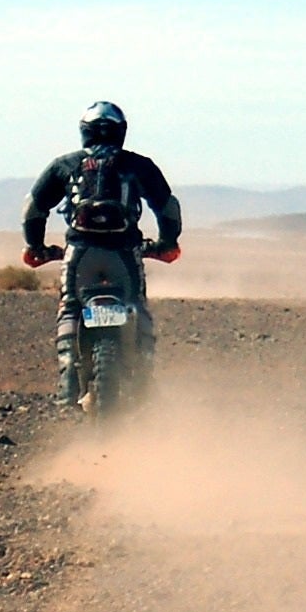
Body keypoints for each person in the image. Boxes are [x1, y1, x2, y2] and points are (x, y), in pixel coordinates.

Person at [22, 101, 183, 403]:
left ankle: (69, 378)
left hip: (80, 253)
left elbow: (33, 208)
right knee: (137, 304)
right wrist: (168, 243)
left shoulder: (65, 165)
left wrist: (35, 247)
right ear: (121, 132)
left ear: (84, 132)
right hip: (124, 253)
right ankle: (144, 380)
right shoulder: (139, 166)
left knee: (70, 306)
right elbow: (167, 208)